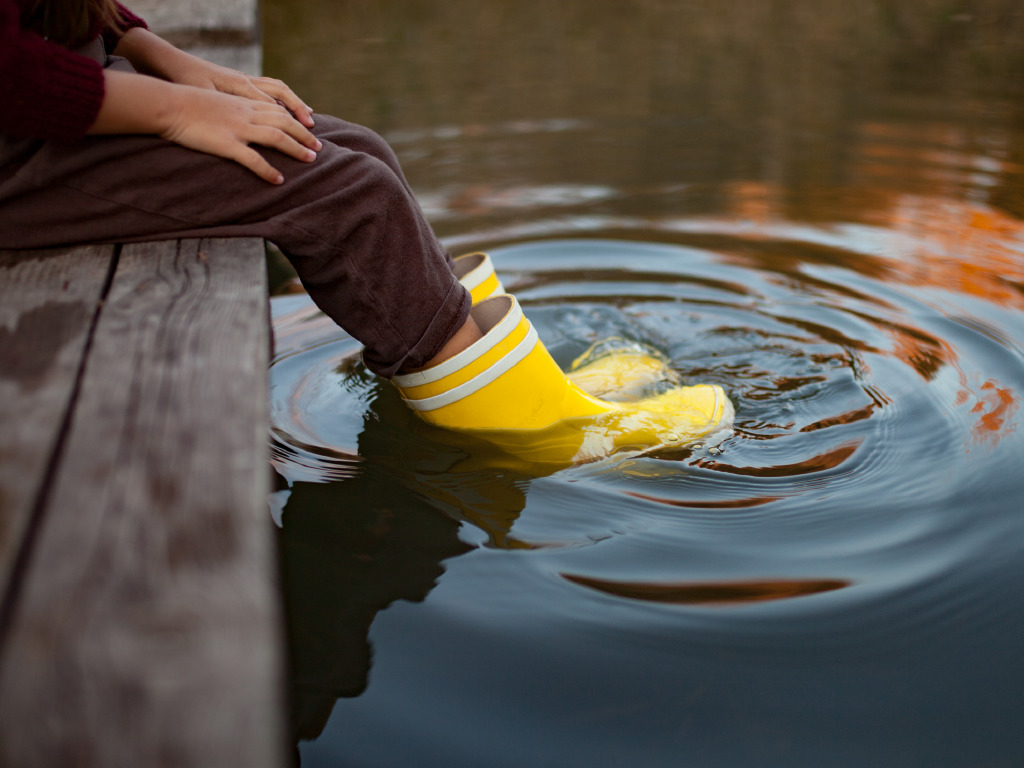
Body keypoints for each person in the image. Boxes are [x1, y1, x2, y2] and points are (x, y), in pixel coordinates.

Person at [0, 0, 732, 466]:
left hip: (59, 103)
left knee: (350, 149)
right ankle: (536, 433)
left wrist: (159, 56)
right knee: (350, 195)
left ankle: (512, 381)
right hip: (22, 148)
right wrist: (166, 110)